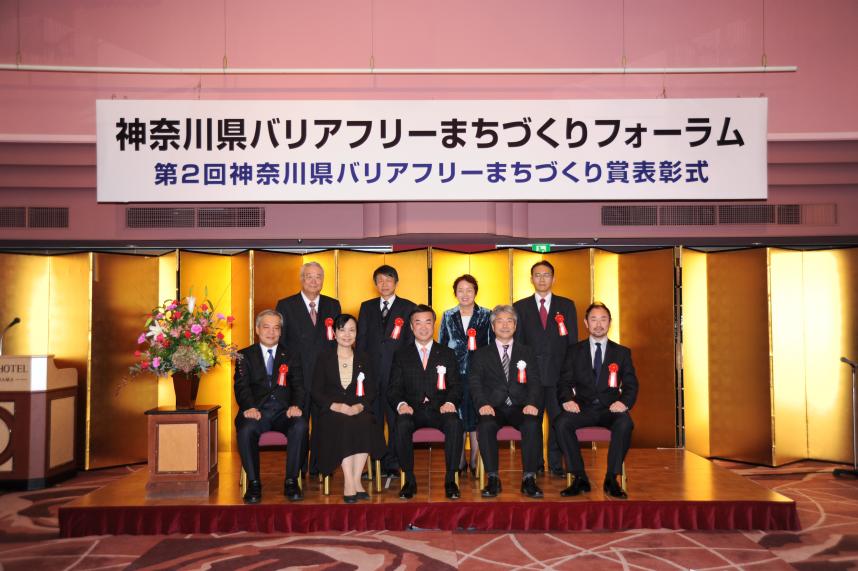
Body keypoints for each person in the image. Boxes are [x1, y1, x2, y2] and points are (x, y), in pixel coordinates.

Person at [555, 302, 638, 499]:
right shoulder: (574, 351)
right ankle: (579, 477)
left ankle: (611, 478)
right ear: (586, 323)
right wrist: (567, 399)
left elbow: (631, 384)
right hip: (582, 408)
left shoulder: (622, 352)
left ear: (610, 322)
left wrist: (623, 402)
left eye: (603, 319)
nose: (598, 324)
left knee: (625, 423)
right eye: (593, 319)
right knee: (561, 423)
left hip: (611, 409)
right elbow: (564, 382)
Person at [388, 305, 463, 500]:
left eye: (428, 322)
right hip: (412, 409)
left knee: (455, 423)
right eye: (418, 323)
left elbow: (456, 386)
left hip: (440, 408)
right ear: (411, 327)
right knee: (401, 424)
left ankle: (450, 479)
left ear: (434, 324)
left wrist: (450, 402)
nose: (423, 327)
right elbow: (394, 388)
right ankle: (409, 479)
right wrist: (401, 405)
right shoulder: (401, 354)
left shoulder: (447, 353)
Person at [469, 305, 544, 498]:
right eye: (499, 321)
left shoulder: (527, 352)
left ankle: (529, 478)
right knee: (485, 425)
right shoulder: (481, 354)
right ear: (493, 326)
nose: (504, 325)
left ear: (515, 325)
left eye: (509, 321)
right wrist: (482, 404)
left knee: (532, 424)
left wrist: (532, 403)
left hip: (521, 406)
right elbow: (475, 382)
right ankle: (493, 478)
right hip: (493, 407)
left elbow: (535, 381)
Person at [234, 309, 308, 504]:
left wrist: (296, 405)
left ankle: (291, 481)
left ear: (281, 331)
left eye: (276, 328)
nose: (271, 332)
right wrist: (249, 407)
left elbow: (299, 386)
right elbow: (241, 386)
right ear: (258, 329)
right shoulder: (244, 355)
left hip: (284, 412)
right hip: (256, 411)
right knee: (246, 429)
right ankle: (254, 483)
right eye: (266, 327)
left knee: (300, 425)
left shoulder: (291, 355)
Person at [311, 314, 386, 503]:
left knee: (365, 422)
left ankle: (356, 479)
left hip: (358, 407)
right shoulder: (324, 358)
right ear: (334, 333)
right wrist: (337, 406)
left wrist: (360, 406)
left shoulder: (364, 358)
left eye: (352, 330)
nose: (347, 334)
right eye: (342, 330)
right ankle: (349, 482)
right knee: (344, 423)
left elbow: (371, 390)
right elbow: (316, 391)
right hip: (332, 410)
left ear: (357, 333)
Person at [513, 260, 578, 477]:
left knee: (558, 421)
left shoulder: (566, 305)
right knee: (532, 421)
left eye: (546, 275)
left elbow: (572, 343)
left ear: (554, 278)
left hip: (559, 376)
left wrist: (571, 377)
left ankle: (556, 464)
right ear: (531, 279)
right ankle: (535, 464)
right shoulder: (520, 307)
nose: (542, 279)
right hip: (530, 377)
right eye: (538, 275)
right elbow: (517, 345)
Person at [276, 261, 341, 475]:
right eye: (309, 276)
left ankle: (320, 467)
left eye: (318, 277)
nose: (314, 281)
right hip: (297, 377)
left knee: (324, 424)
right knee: (299, 423)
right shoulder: (286, 305)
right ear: (301, 279)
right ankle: (299, 468)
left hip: (324, 376)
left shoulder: (333, 305)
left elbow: (338, 341)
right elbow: (281, 344)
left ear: (323, 280)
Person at [356, 265, 416, 478]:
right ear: (375, 284)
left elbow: (410, 344)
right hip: (371, 375)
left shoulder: (408, 307)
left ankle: (393, 463)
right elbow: (361, 341)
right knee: (373, 420)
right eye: (380, 280)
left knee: (395, 420)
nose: (384, 284)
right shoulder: (366, 307)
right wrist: (360, 372)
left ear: (396, 282)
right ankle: (376, 463)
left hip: (396, 376)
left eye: (388, 279)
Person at [438, 274, 493, 477]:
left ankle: (476, 460)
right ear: (455, 293)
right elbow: (442, 345)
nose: (465, 294)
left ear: (475, 292)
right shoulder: (447, 315)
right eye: (460, 290)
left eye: (469, 290)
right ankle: (459, 460)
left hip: (480, 376)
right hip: (455, 375)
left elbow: (491, 345)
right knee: (458, 417)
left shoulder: (487, 314)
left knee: (477, 417)